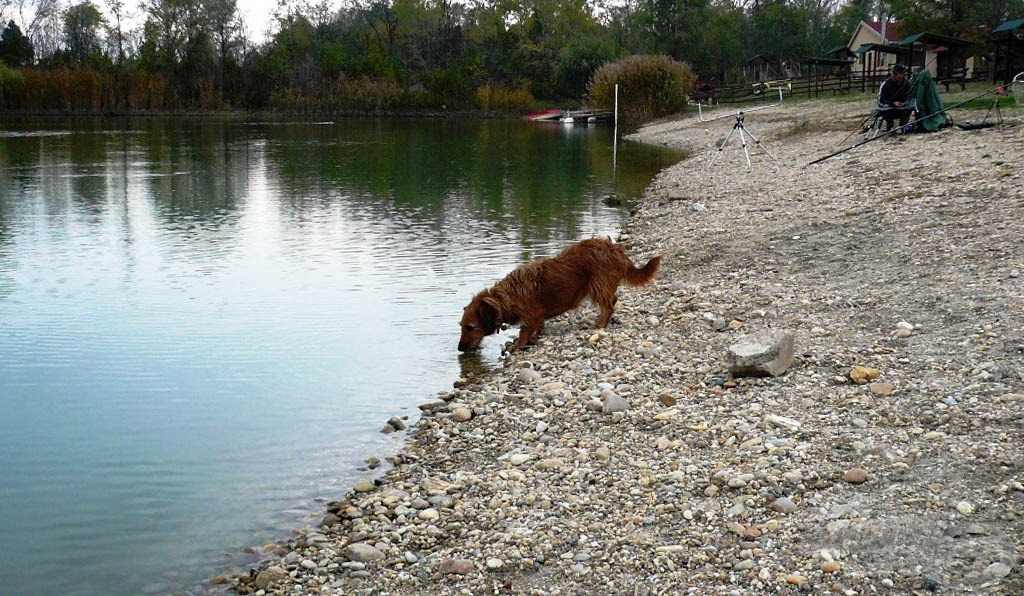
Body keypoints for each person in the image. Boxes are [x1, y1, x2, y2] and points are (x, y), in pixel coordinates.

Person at [878, 63, 913, 131]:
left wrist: (906, 102)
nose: (902, 76)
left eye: (903, 74)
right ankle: (890, 126)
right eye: (901, 74)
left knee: (910, 107)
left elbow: (911, 96)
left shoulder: (907, 83)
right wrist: (892, 103)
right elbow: (880, 101)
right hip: (889, 109)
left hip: (902, 108)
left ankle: (902, 126)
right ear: (895, 74)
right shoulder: (885, 84)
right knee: (885, 108)